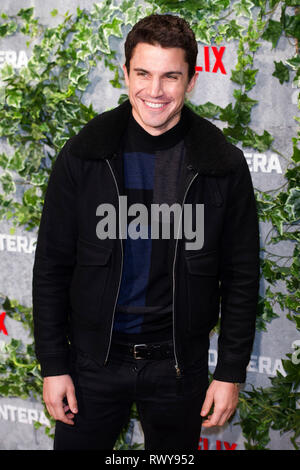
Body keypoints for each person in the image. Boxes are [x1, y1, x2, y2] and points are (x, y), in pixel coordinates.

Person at [32, 13, 260, 450]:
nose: (155, 91)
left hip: (178, 368)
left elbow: (241, 276)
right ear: (125, 73)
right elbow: (52, 267)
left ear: (192, 81)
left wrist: (230, 372)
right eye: (143, 73)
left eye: (170, 76)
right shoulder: (84, 155)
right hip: (91, 365)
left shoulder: (222, 164)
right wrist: (53, 365)